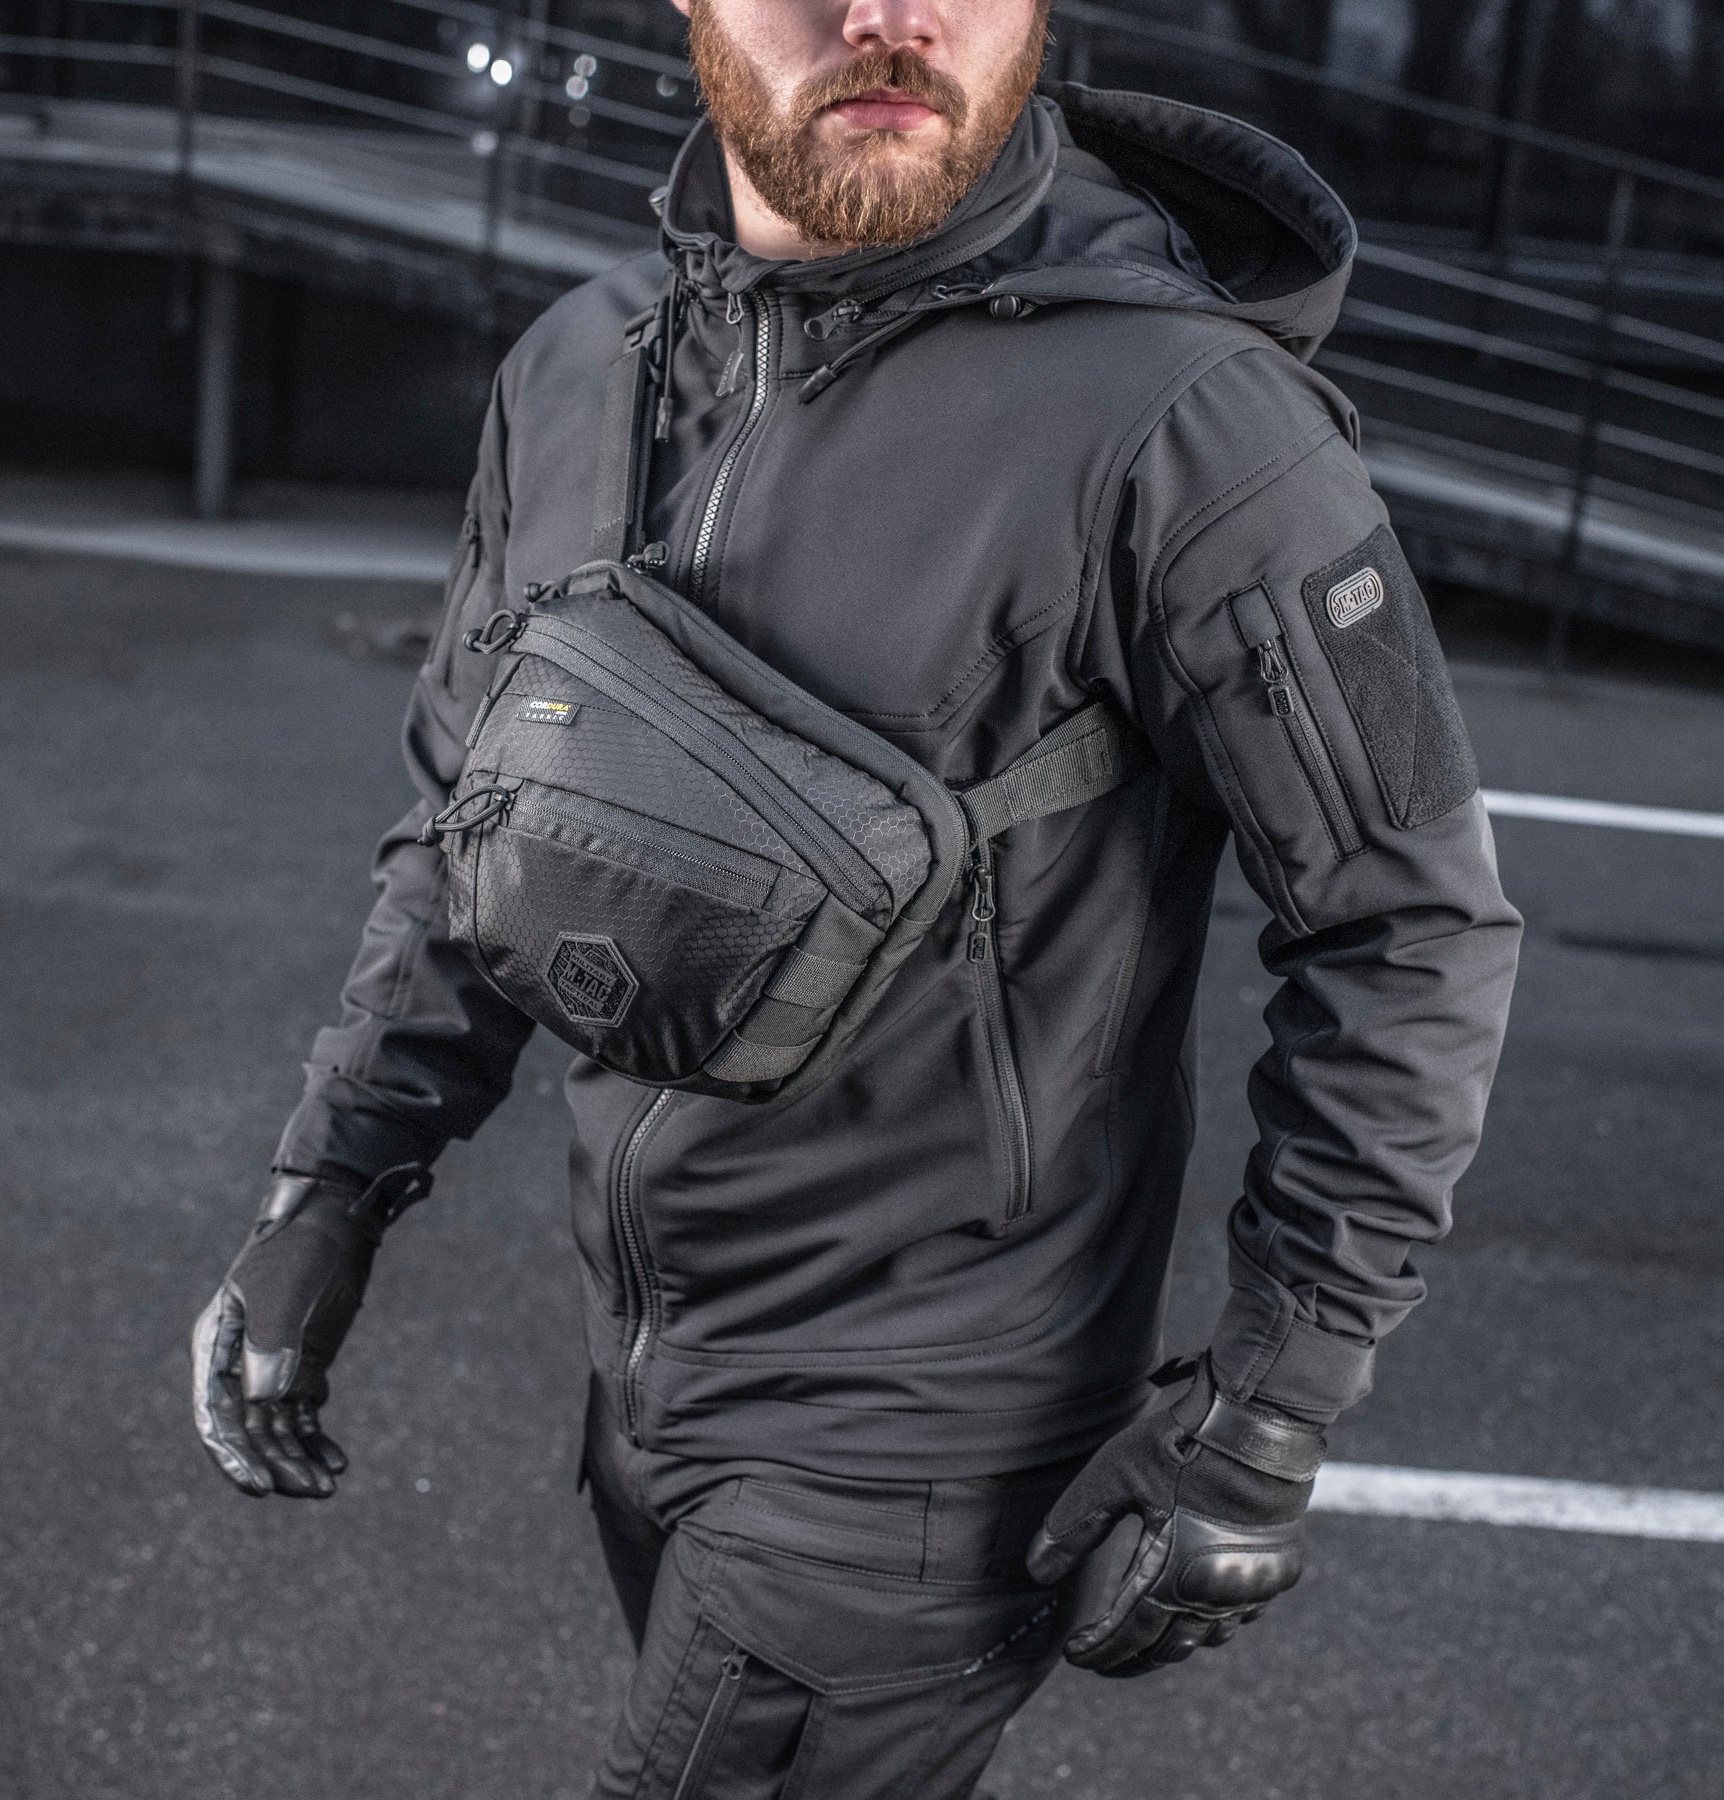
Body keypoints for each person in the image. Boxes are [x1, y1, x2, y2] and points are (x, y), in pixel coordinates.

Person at [191, 1, 1522, 1791]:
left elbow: (1409, 924)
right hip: (644, 1377)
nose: (891, 17)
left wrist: (1273, 1401)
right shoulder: (574, 371)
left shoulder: (1192, 423)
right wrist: (330, 1187)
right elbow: (466, 817)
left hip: (922, 1452)